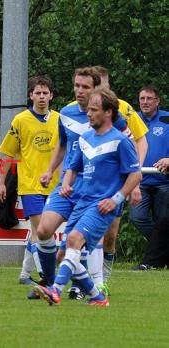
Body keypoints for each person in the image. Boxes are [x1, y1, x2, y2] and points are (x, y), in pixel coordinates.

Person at [34, 87, 142, 307]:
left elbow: (135, 174)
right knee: (64, 255)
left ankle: (55, 290)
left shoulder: (120, 141)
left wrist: (116, 199)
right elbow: (73, 167)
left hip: (103, 205)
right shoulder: (85, 138)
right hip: (82, 200)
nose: (88, 114)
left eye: (94, 110)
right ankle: (98, 297)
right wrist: (65, 184)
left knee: (74, 240)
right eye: (89, 110)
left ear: (108, 113)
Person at [0, 75, 59, 297]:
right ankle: (47, 277)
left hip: (55, 186)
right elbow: (7, 154)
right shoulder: (20, 120)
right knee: (42, 231)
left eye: (45, 92)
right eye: (37, 93)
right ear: (30, 95)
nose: (41, 97)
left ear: (51, 95)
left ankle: (24, 273)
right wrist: (1, 182)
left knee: (37, 232)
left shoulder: (60, 120)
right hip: (30, 185)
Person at [92, 66, 149, 292]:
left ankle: (103, 278)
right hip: (88, 181)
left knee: (110, 234)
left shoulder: (123, 108)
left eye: (104, 86)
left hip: (115, 182)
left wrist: (136, 178)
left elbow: (141, 140)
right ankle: (87, 282)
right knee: (86, 233)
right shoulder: (77, 110)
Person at [130, 85, 169, 269]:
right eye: (142, 99)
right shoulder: (132, 119)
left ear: (157, 101)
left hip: (164, 181)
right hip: (140, 181)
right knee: (138, 217)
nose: (145, 102)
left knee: (164, 222)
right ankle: (161, 254)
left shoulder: (167, 118)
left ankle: (155, 260)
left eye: (149, 98)